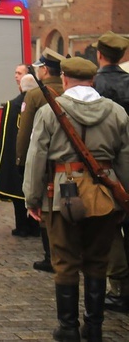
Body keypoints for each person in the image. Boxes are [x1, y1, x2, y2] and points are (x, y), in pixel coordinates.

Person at [23, 56, 129, 341]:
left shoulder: (49, 112)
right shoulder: (117, 112)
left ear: (66, 79)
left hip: (61, 195)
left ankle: (68, 328)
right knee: (97, 261)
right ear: (92, 80)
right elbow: (126, 160)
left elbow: (36, 158)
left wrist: (32, 199)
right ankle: (94, 327)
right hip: (105, 196)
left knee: (65, 262)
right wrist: (125, 199)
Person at [17, 47, 66, 273]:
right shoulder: (71, 91)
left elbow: (25, 132)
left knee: (47, 208)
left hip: (47, 162)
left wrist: (20, 159)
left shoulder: (35, 95)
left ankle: (51, 256)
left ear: (45, 70)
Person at [92, 31, 129, 314]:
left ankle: (119, 289)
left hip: (107, 165)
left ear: (99, 55)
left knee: (111, 226)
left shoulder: (96, 85)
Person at [0, 69, 40, 238]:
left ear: (21, 87)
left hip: (17, 156)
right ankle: (36, 225)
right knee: (35, 191)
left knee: (18, 194)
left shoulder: (12, 105)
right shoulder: (42, 104)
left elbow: (6, 137)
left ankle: (21, 226)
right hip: (36, 156)